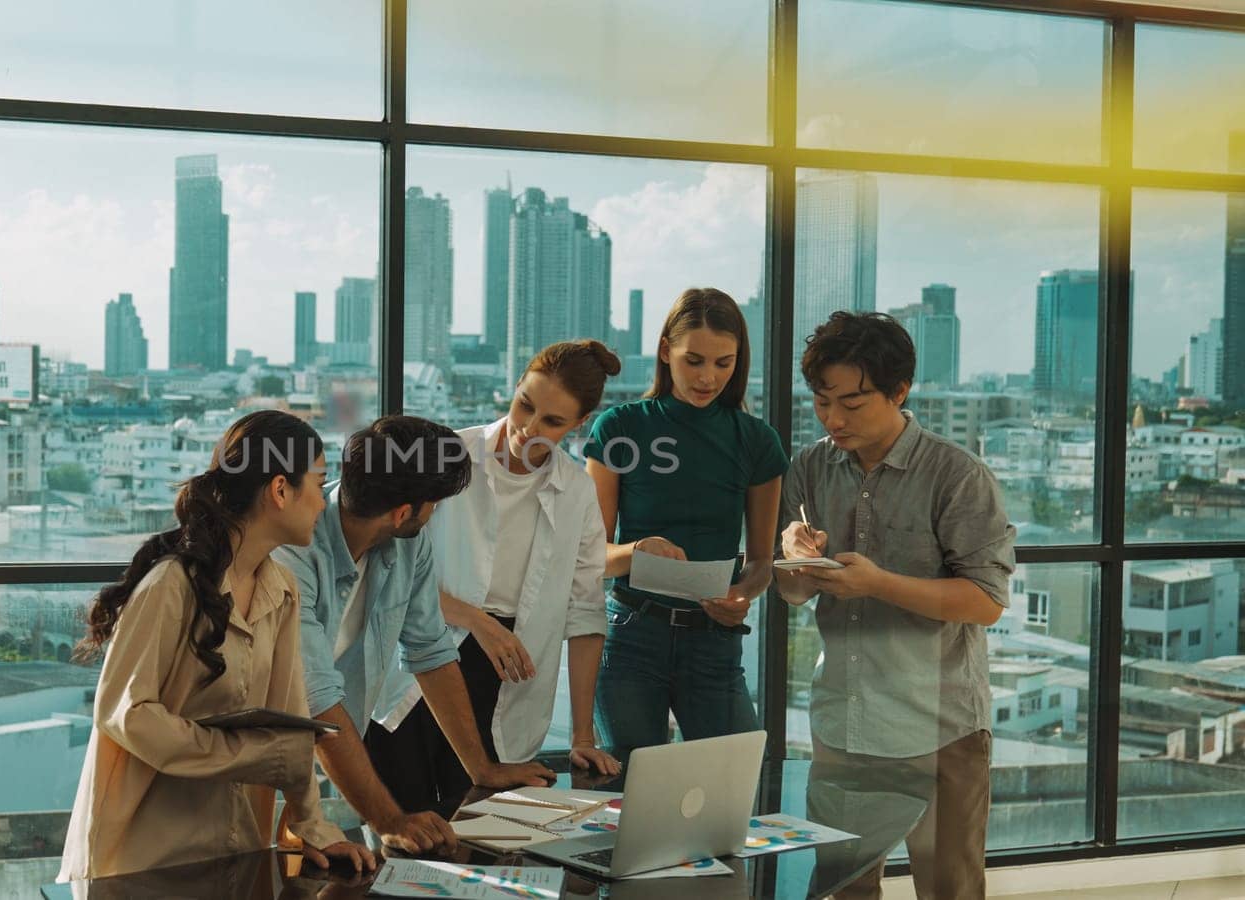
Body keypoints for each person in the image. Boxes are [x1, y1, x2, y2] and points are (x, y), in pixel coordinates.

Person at [58, 410, 375, 881]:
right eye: (318, 483)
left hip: (235, 853)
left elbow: (291, 720)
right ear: (280, 490)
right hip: (141, 862)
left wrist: (312, 823)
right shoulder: (170, 586)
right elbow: (128, 715)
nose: (323, 503)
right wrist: (243, 755)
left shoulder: (282, 588)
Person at [774, 311, 1015, 900]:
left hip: (938, 728)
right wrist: (795, 555)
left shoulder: (955, 475)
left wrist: (879, 583)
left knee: (949, 890)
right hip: (844, 721)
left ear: (899, 391)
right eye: (821, 401)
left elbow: (985, 602)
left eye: (852, 404)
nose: (833, 419)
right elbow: (792, 591)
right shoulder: (809, 466)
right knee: (843, 891)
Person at [366, 341, 624, 818]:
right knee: (405, 834)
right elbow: (389, 568)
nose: (528, 429)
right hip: (417, 662)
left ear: (579, 425)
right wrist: (480, 623)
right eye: (525, 404)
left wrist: (582, 735)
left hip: (508, 678)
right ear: (516, 385)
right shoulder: (449, 455)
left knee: (482, 842)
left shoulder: (577, 490)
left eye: (553, 422)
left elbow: (585, 612)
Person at [276, 415, 556, 855]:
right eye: (435, 506)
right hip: (250, 759)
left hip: (316, 749)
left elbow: (430, 650)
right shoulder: (292, 555)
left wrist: (481, 768)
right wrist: (389, 819)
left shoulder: (407, 543)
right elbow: (317, 700)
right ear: (403, 512)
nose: (435, 514)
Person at [582, 288, 787, 759]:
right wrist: (635, 552)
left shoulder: (757, 441)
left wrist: (743, 595)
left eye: (723, 363)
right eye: (694, 360)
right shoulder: (620, 427)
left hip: (714, 643)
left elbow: (760, 562)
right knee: (629, 793)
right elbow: (589, 554)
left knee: (732, 789)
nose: (707, 377)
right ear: (664, 351)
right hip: (631, 637)